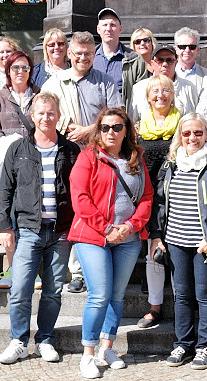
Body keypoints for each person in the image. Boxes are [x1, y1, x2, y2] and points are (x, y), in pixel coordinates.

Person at [68, 107, 153, 379]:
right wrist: (107, 229)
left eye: (117, 127)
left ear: (126, 129)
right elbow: (80, 198)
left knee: (117, 296)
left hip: (128, 237)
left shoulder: (135, 158)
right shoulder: (87, 158)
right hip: (93, 236)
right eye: (105, 127)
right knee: (99, 295)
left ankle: (107, 348)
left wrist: (129, 226)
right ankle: (88, 355)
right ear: (98, 130)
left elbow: (148, 197)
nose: (110, 132)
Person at [0, 92, 80, 365]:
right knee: (20, 288)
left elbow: (80, 191)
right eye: (41, 113)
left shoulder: (70, 150)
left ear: (58, 116)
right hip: (28, 229)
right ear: (32, 116)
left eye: (51, 113)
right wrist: (4, 227)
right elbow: (5, 190)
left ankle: (45, 339)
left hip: (60, 231)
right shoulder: (18, 149)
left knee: (54, 290)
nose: (46, 117)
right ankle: (18, 340)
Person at [150, 113, 207, 370]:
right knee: (182, 295)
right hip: (175, 241)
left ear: (206, 135)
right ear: (179, 137)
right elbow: (160, 202)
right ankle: (183, 344)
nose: (192, 138)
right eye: (187, 133)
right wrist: (159, 235)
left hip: (205, 244)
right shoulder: (170, 165)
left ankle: (205, 347)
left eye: (198, 133)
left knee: (205, 295)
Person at [43, 31, 123, 294]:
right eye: (78, 53)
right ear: (69, 53)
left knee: (96, 208)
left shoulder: (105, 81)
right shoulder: (55, 82)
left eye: (88, 54)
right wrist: (67, 127)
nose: (83, 58)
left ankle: (92, 267)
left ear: (94, 53)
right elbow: (43, 111)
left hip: (98, 154)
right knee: (73, 209)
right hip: (64, 154)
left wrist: (90, 130)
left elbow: (117, 113)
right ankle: (76, 270)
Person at [0, 50, 40, 288]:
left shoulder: (39, 95)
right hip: (8, 164)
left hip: (33, 163)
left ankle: (33, 271)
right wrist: (10, 146)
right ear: (8, 71)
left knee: (31, 215)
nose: (20, 72)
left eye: (25, 68)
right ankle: (11, 269)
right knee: (8, 215)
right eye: (15, 68)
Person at [136, 75, 181, 329]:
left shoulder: (182, 122)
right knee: (154, 251)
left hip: (177, 195)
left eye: (165, 90)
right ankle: (154, 308)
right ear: (148, 96)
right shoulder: (140, 125)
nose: (160, 95)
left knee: (176, 250)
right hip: (149, 195)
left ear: (173, 94)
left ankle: (180, 304)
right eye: (155, 91)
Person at [93, 8, 146, 109]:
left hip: (123, 120)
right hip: (94, 121)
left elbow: (141, 95)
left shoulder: (135, 60)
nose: (108, 29)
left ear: (120, 29)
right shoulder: (90, 58)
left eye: (113, 25)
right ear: (98, 29)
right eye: (104, 25)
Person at [130, 45, 198, 122]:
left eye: (169, 60)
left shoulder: (189, 87)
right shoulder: (139, 88)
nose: (165, 64)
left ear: (176, 62)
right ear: (152, 63)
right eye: (160, 60)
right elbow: (133, 120)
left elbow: (195, 119)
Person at [174, 27, 207, 99]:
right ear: (176, 49)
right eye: (182, 47)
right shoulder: (167, 74)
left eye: (192, 47)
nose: (187, 50)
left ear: (198, 50)